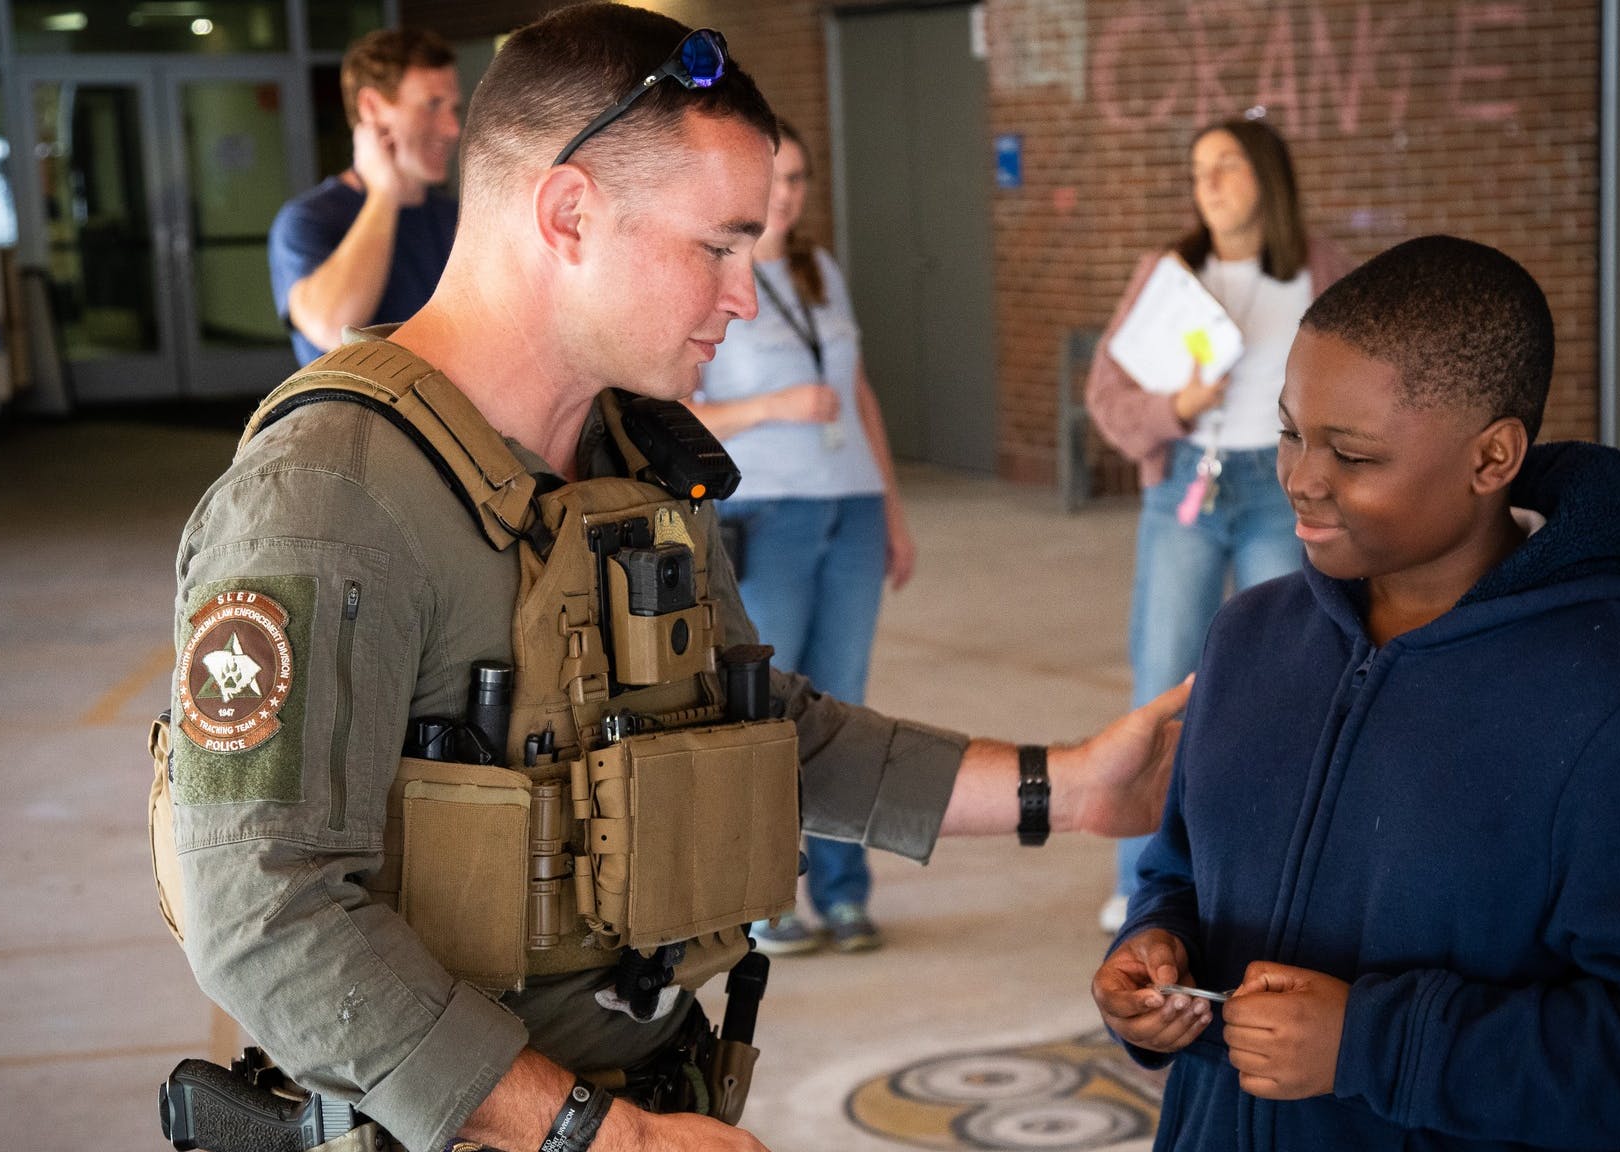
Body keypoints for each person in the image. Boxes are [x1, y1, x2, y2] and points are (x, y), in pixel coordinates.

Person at [162, 8, 1186, 1152]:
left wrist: (1076, 788)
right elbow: (263, 912)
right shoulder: (327, 497)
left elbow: (761, 737)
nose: (745, 296)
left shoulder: (633, 456)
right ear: (566, 213)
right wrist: (600, 1137)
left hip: (639, 1097)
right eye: (716, 246)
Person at [1089, 236, 1620, 1151]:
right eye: (1292, 429)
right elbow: (1180, 872)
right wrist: (1153, 953)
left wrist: (1375, 1046)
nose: (1300, 477)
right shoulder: (1250, 638)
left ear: (1493, 458)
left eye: (1354, 454)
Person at [1085, 114, 1350, 935]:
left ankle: (1271, 877)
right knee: (1164, 682)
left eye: (1227, 165)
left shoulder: (1321, 272)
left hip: (1284, 492)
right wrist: (1179, 405)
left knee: (1286, 676)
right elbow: (1106, 395)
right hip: (1187, 492)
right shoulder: (1169, 272)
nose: (1209, 182)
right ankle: (1141, 884)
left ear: (1267, 176)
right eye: (1199, 168)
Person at [684, 121, 913, 957]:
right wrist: (775, 408)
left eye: (801, 180)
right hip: (768, 514)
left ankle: (847, 894)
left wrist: (890, 507)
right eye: (777, 179)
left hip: (847, 503)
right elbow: (681, 413)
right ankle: (767, 900)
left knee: (846, 709)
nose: (789, 195)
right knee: (772, 710)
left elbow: (859, 396)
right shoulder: (711, 279)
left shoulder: (823, 273)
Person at [268, 28, 462, 365]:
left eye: (453, 108)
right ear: (371, 107)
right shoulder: (308, 219)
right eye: (432, 105)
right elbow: (332, 328)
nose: (452, 129)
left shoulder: (456, 216)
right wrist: (384, 193)